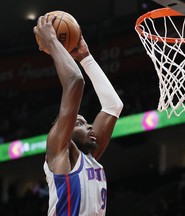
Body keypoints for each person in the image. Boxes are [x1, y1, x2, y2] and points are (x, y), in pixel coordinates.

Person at [33, 13, 123, 216]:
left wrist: (87, 58)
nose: (90, 126)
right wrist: (52, 41)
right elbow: (74, 81)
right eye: (81, 123)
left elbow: (113, 106)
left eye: (83, 122)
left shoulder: (87, 158)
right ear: (63, 131)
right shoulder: (59, 152)